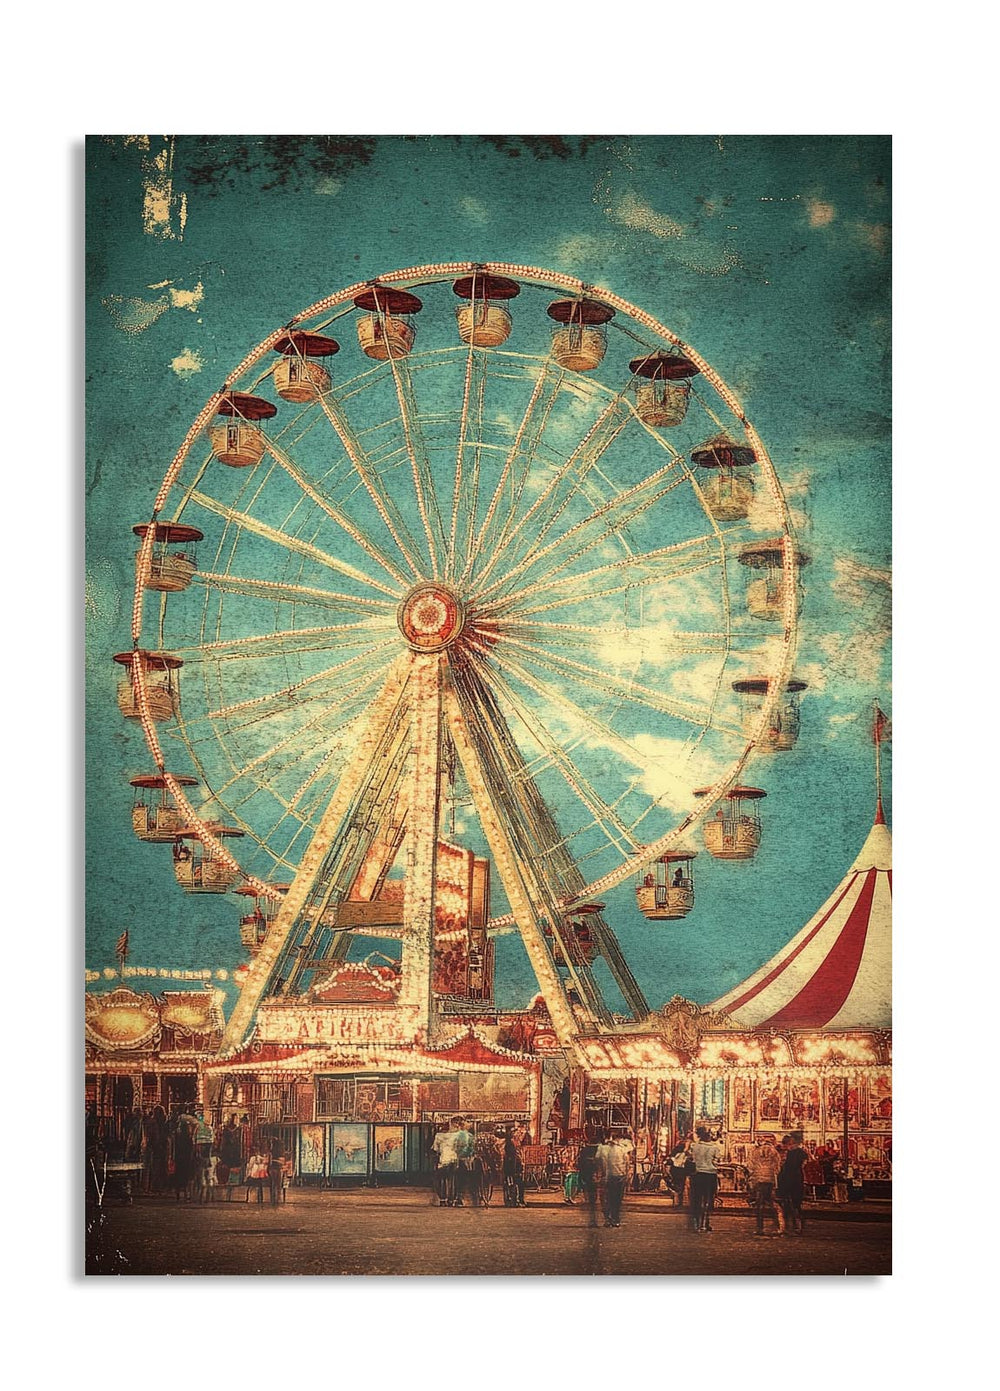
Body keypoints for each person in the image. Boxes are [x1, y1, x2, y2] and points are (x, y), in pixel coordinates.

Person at [689, 1125, 723, 1232]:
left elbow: (693, 1159)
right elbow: (718, 1160)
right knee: (709, 1199)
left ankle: (697, 1224)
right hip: (710, 1175)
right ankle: (706, 1222)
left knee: (697, 1199)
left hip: (698, 1175)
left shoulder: (695, 1146)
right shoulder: (714, 1148)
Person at [777, 1130, 808, 1234]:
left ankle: (789, 1226)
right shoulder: (800, 1153)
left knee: (787, 1204)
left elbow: (783, 1167)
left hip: (788, 1179)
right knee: (795, 1204)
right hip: (796, 1179)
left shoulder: (789, 1153)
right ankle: (797, 1226)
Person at [749, 1136, 782, 1235]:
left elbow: (750, 1166)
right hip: (770, 1179)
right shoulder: (774, 1152)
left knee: (759, 1204)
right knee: (771, 1202)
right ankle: (778, 1226)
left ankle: (760, 1228)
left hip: (759, 1179)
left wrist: (754, 1176)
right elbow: (778, 1167)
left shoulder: (756, 1152)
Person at [596, 1131, 629, 1227]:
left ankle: (608, 1219)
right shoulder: (622, 1149)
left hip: (607, 1177)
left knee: (606, 1199)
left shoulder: (602, 1148)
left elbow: (598, 1160)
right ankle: (615, 1219)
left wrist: (601, 1173)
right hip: (619, 1177)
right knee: (617, 1199)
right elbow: (627, 1163)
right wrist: (626, 1174)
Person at [474, 1124, 503, 1207]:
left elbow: (475, 1149)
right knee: (490, 1179)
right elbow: (496, 1151)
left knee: (479, 1179)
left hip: (479, 1162)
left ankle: (480, 1194)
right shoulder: (493, 1138)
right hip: (489, 1161)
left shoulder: (477, 1137)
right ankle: (487, 1198)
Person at [576, 1135, 600, 1227]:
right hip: (596, 1175)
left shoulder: (584, 1150)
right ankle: (594, 1218)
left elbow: (580, 1163)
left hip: (587, 1175)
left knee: (590, 1196)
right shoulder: (600, 1150)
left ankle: (592, 1217)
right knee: (594, 1197)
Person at [502, 1127, 527, 1207]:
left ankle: (520, 1199)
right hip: (511, 1168)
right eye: (518, 1133)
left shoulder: (517, 1143)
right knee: (513, 1184)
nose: (520, 1134)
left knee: (520, 1184)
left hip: (517, 1167)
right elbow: (511, 1157)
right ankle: (515, 1200)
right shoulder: (509, 1144)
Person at [670, 1141, 690, 1208]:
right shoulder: (684, 1153)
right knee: (681, 1186)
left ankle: (677, 1201)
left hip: (675, 1170)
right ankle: (679, 1201)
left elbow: (672, 1159)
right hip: (681, 1170)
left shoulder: (675, 1152)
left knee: (677, 1185)